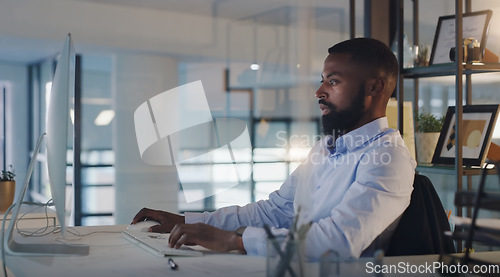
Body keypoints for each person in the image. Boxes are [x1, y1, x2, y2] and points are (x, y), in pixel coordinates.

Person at [131, 37, 416, 260]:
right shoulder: (324, 149)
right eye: (322, 80)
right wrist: (189, 221)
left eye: (333, 81)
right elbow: (275, 211)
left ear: (375, 88)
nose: (319, 92)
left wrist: (235, 241)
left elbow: (337, 242)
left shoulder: (388, 158)